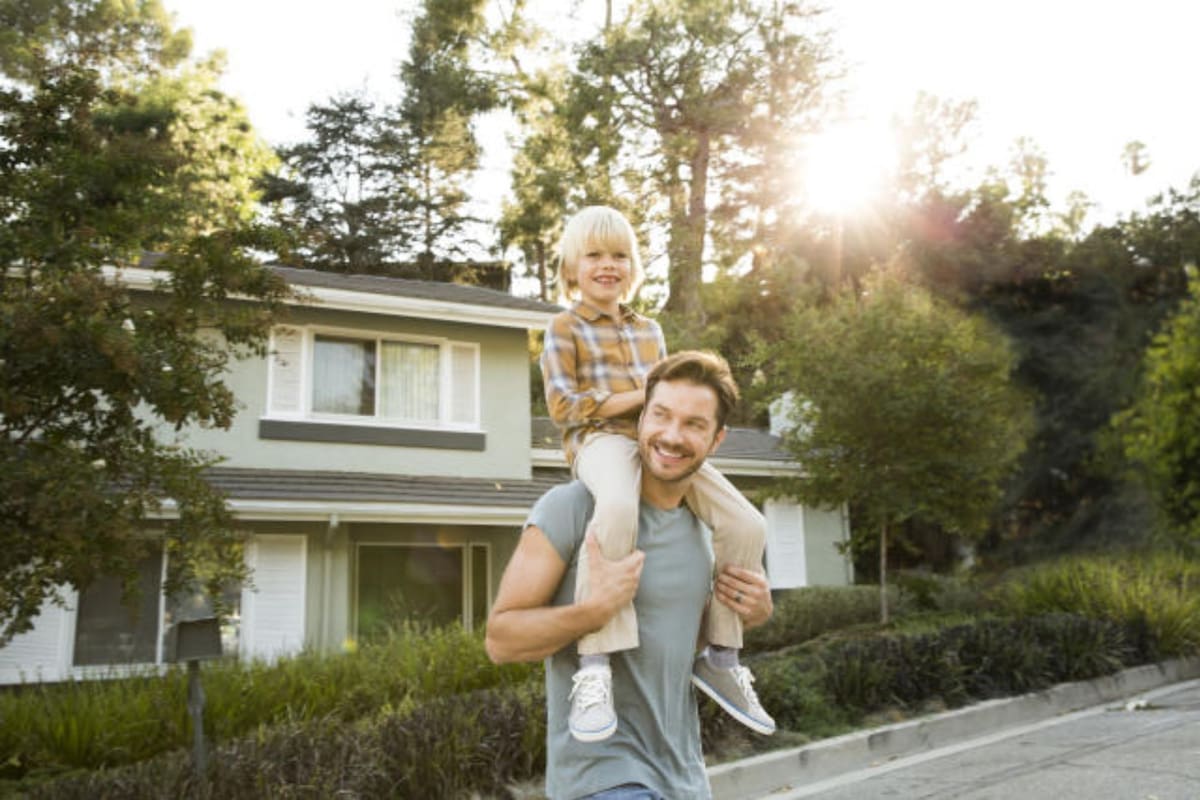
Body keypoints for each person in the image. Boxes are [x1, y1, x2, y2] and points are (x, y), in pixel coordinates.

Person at [486, 350, 774, 800]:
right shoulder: (572, 509)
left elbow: (671, 644)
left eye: (694, 424)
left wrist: (749, 612)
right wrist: (592, 612)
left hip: (685, 780)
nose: (672, 436)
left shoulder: (707, 530)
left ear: (717, 440)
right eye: (660, 415)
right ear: (640, 420)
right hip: (602, 781)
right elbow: (500, 640)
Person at [538, 206, 774, 744]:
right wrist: (642, 398)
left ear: (634, 265)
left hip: (657, 443)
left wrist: (664, 413)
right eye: (594, 255)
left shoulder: (650, 330)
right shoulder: (563, 327)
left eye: (619, 255)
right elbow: (565, 407)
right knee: (618, 509)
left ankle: (721, 655)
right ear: (572, 265)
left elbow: (670, 402)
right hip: (598, 444)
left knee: (747, 525)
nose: (608, 265)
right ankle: (594, 664)